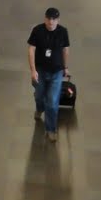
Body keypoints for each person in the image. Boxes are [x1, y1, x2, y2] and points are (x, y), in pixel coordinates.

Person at [27, 7, 70, 144]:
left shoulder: (63, 32)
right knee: (39, 96)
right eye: (49, 18)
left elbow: (65, 50)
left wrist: (65, 67)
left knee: (52, 102)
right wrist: (33, 70)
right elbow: (31, 50)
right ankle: (39, 109)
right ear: (45, 18)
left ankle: (51, 129)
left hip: (56, 72)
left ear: (58, 20)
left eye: (54, 19)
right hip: (40, 70)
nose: (51, 22)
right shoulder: (37, 31)